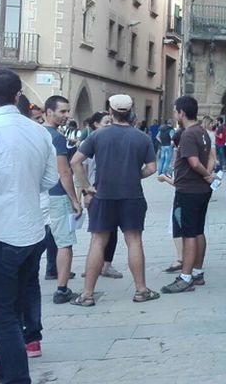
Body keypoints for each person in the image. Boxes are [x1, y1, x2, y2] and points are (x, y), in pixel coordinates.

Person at [0, 69, 58, 383]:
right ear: (18, 96)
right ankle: (2, 371)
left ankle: (16, 377)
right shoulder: (39, 131)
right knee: (17, 305)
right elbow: (50, 180)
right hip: (34, 230)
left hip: (0, 232)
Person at [70, 95, 159, 306]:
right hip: (132, 196)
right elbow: (152, 168)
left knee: (98, 242)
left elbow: (75, 162)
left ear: (110, 111)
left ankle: (87, 294)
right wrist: (134, 175)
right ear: (131, 111)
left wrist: (86, 186)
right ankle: (141, 290)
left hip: (103, 195)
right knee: (134, 241)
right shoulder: (142, 137)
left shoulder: (98, 136)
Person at [162, 96, 214, 294]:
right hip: (201, 190)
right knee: (199, 230)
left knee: (188, 233)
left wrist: (206, 174)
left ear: (182, 113)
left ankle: (185, 277)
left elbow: (193, 162)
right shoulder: (203, 132)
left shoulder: (187, 134)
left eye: (176, 111)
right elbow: (210, 156)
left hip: (188, 190)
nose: (175, 115)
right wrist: (207, 177)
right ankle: (198, 272)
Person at [42, 96, 83, 304]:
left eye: (68, 111)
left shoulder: (34, 133)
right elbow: (64, 171)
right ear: (48, 111)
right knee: (64, 243)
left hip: (37, 195)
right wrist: (75, 200)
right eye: (62, 112)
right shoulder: (57, 138)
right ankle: (62, 289)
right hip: (57, 194)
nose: (67, 115)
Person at [79, 112, 124, 280]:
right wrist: (86, 191)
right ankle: (92, 266)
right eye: (106, 122)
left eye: (111, 121)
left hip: (114, 190)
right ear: (96, 124)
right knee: (97, 230)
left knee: (112, 230)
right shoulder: (88, 142)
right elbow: (81, 169)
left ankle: (106, 264)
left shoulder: (114, 141)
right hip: (95, 190)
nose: (109, 124)